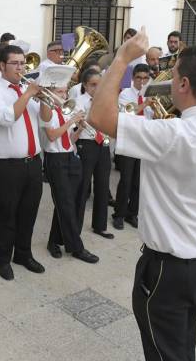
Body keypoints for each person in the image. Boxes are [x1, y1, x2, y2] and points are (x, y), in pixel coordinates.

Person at [88, 27, 196, 361]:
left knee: (165, 353)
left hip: (169, 269)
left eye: (175, 75)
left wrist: (122, 57)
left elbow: (98, 117)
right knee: (180, 343)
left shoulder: (174, 135)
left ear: (183, 85)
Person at [0, 44, 53, 280]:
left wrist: (43, 99)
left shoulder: (24, 89)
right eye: (15, 63)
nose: (21, 68)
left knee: (28, 213)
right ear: (1, 65)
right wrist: (29, 93)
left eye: (23, 63)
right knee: (6, 216)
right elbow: (6, 118)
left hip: (33, 163)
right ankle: (3, 259)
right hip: (7, 166)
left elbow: (45, 120)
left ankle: (23, 253)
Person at [41, 86, 99, 263]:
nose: (64, 95)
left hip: (71, 157)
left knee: (69, 203)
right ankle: (77, 248)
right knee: (65, 203)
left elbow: (69, 139)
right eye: (59, 92)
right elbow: (52, 136)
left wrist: (80, 128)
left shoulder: (66, 111)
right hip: (55, 160)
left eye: (65, 92)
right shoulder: (46, 111)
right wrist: (72, 120)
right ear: (50, 94)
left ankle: (53, 241)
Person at [75, 68, 114, 240]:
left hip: (103, 144)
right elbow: (78, 122)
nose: (97, 89)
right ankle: (75, 226)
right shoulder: (79, 101)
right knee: (82, 186)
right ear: (85, 85)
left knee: (103, 185)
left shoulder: (105, 100)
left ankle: (100, 225)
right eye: (93, 85)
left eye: (100, 85)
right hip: (87, 144)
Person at [113, 64, 150, 230]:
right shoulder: (125, 94)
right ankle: (119, 214)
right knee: (126, 180)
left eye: (145, 78)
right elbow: (126, 115)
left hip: (144, 141)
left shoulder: (150, 94)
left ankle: (132, 213)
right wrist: (144, 105)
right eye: (139, 78)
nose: (142, 81)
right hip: (129, 140)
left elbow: (153, 118)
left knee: (138, 181)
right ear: (133, 78)